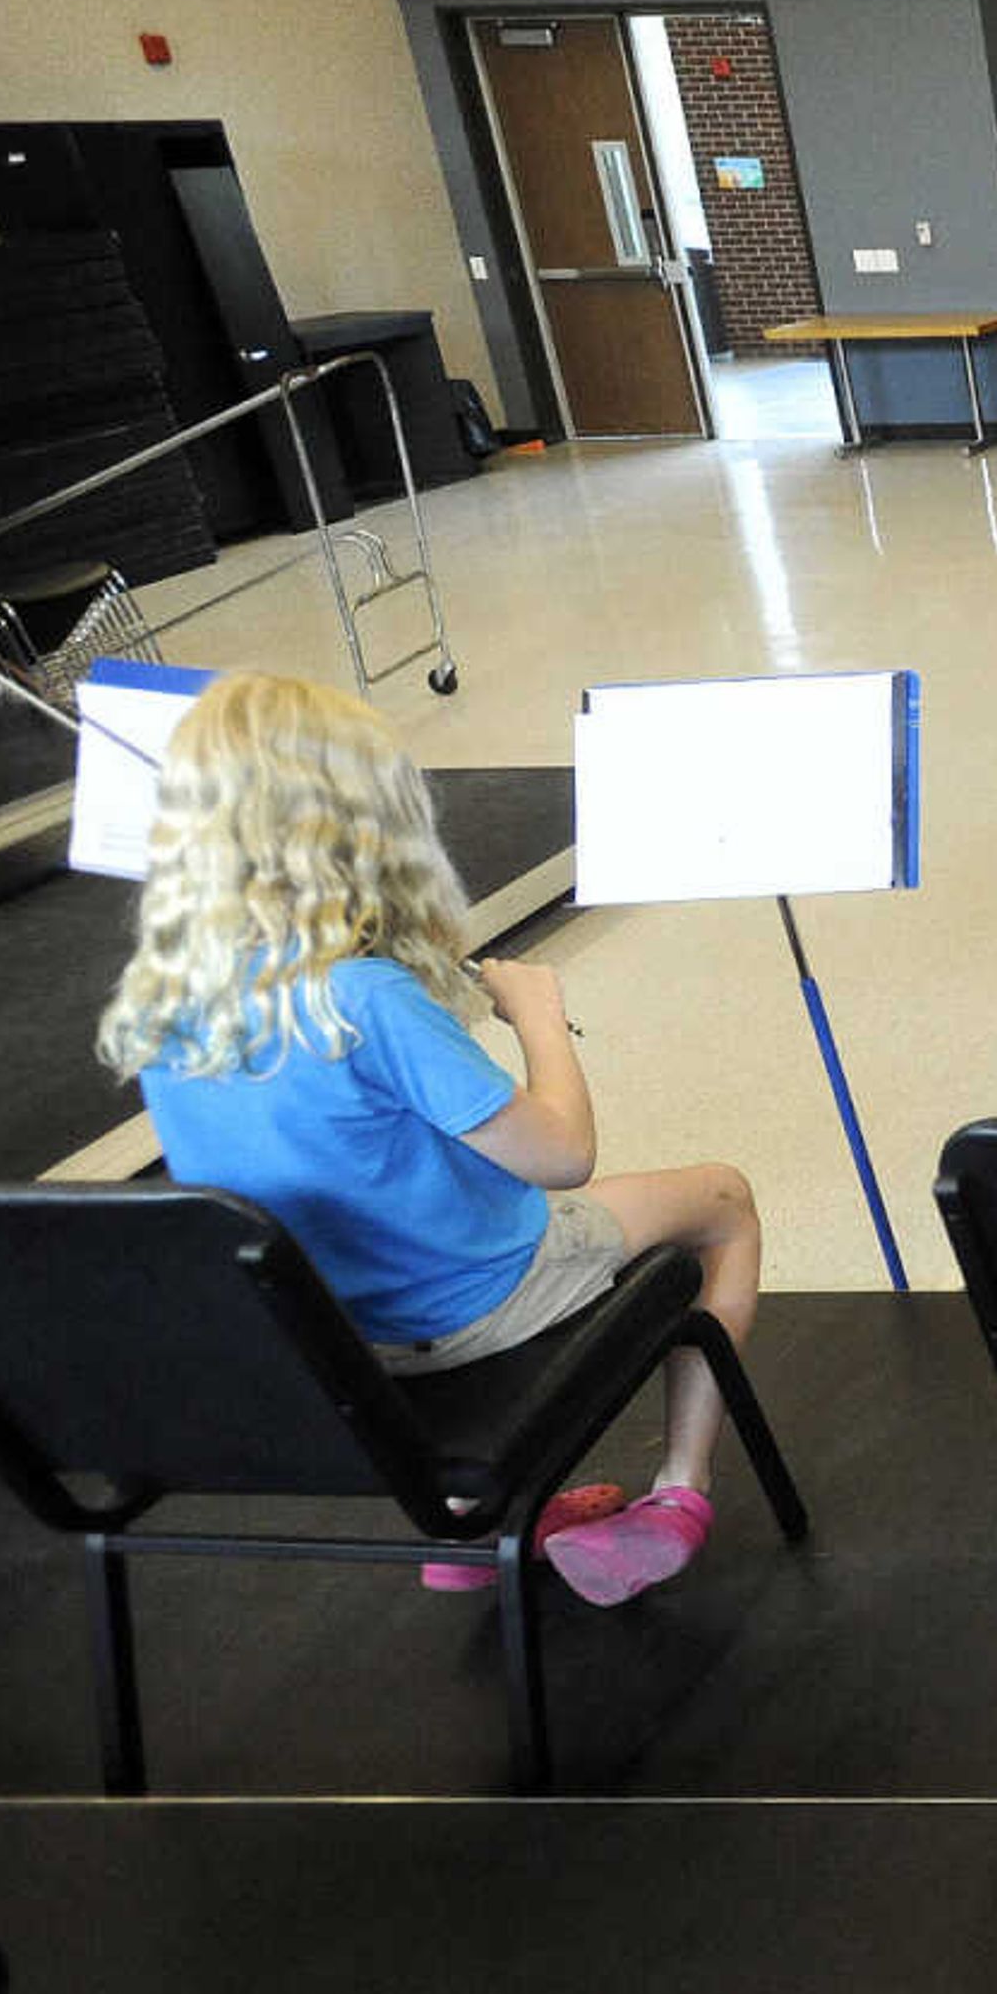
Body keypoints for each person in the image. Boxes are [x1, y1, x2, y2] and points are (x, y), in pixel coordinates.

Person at [97, 672, 764, 1605]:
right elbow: (565, 1154)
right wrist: (538, 1015)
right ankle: (678, 1495)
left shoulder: (165, 1004)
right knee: (723, 1201)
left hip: (335, 1338)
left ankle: (482, 1520)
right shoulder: (367, 998)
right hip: (468, 1309)